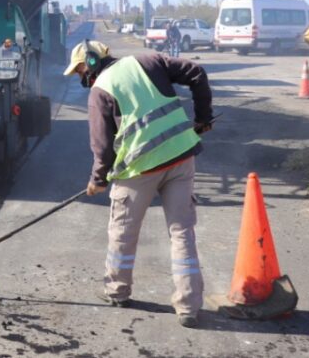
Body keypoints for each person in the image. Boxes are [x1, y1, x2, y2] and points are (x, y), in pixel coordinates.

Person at [63, 39, 213, 329]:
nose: (80, 75)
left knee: (123, 230)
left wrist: (98, 180)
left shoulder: (100, 91)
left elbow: (102, 146)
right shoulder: (149, 61)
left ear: (91, 61)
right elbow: (197, 72)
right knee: (182, 232)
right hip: (181, 158)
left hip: (138, 170)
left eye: (80, 69)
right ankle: (189, 306)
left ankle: (117, 291)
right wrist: (203, 118)